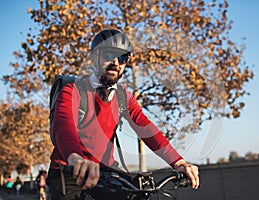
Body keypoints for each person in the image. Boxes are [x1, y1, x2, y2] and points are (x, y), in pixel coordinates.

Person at [46, 29, 199, 200]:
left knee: (137, 196)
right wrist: (75, 157)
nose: (115, 62)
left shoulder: (123, 96)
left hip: (104, 171)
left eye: (122, 58)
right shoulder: (73, 90)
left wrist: (178, 162)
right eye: (108, 55)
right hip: (69, 169)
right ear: (93, 58)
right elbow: (63, 125)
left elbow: (146, 128)